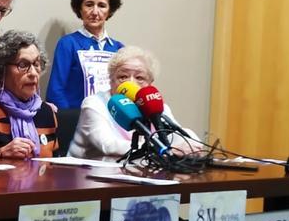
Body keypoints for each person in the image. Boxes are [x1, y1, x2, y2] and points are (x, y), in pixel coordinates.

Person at [69, 45, 200, 160]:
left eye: (139, 78)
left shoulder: (156, 105)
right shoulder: (94, 104)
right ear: (111, 80)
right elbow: (108, 145)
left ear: (150, 83)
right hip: (88, 177)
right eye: (123, 77)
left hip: (137, 171)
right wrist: (164, 150)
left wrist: (190, 146)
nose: (130, 83)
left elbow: (175, 135)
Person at [0, 30, 58, 160]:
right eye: (23, 65)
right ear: (0, 71)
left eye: (36, 64)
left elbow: (56, 164)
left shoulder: (46, 112)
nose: (33, 73)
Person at [46, 0, 125, 109]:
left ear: (110, 10)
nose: (95, 12)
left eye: (101, 5)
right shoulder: (68, 44)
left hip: (111, 123)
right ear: (79, 8)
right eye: (89, 4)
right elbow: (55, 91)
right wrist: (73, 120)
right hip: (77, 123)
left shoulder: (119, 49)